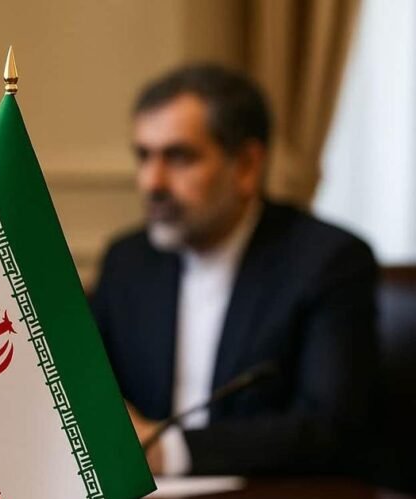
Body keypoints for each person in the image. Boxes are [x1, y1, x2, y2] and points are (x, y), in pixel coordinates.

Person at [91, 63, 378, 477]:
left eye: (179, 157)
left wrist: (167, 451)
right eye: (144, 156)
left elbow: (328, 427)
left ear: (246, 167)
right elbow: (90, 392)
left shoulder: (327, 260)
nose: (152, 182)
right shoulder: (128, 261)